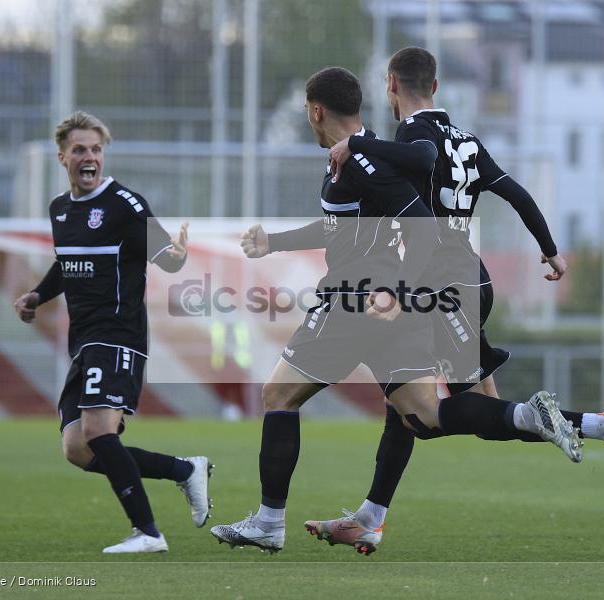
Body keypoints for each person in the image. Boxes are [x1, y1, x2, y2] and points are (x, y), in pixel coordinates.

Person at [209, 67, 578, 555]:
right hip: (395, 308)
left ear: (316, 111)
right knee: (424, 416)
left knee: (279, 395)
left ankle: (269, 522)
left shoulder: (359, 161)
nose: (309, 121)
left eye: (307, 113)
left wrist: (392, 288)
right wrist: (275, 242)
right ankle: (529, 416)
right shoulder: (365, 152)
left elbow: (422, 226)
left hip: (353, 300)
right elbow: (340, 227)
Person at [299, 47, 604, 554]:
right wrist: (551, 253)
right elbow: (519, 195)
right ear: (437, 87)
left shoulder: (412, 135)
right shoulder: (468, 141)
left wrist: (356, 144)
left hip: (441, 285)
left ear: (391, 85)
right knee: (412, 407)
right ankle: (371, 516)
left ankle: (577, 421)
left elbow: (415, 163)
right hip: (472, 280)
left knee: (439, 413)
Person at [13, 111, 212, 554]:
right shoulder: (60, 210)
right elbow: (67, 265)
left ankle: (148, 533)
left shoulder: (125, 204)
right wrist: (37, 296)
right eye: (80, 150)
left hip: (119, 334)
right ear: (62, 156)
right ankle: (185, 470)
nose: (90, 157)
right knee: (78, 449)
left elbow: (167, 257)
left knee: (101, 432)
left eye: (96, 149)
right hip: (84, 341)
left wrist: (176, 255)